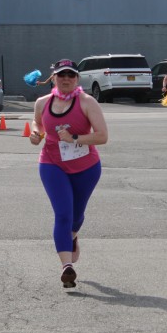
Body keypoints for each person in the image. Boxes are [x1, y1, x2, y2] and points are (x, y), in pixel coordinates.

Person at [30, 59, 108, 289]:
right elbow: (38, 124)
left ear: (77, 79)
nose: (66, 79)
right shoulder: (42, 103)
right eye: (61, 75)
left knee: (76, 215)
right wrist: (36, 134)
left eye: (70, 75)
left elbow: (102, 136)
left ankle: (72, 236)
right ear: (53, 77)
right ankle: (67, 267)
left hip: (86, 168)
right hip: (52, 164)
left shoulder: (87, 102)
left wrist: (75, 138)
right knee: (63, 214)